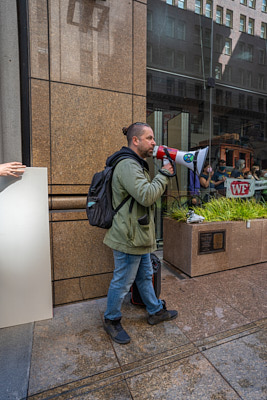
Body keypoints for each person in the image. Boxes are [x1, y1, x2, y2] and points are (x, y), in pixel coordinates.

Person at [103, 122, 178, 344]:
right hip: (129, 236)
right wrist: (164, 173)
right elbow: (146, 196)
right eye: (150, 138)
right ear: (135, 140)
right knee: (123, 281)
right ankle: (111, 319)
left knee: (145, 276)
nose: (154, 143)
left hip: (138, 234)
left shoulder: (136, 163)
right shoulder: (127, 165)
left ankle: (155, 311)